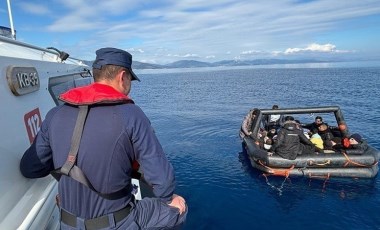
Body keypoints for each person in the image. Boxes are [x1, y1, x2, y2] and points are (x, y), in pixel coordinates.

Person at [19, 48, 187, 229]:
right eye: (130, 79)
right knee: (178, 207)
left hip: (68, 221)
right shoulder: (132, 115)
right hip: (117, 223)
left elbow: (30, 168)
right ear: (122, 76)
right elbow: (164, 184)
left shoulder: (55, 114)